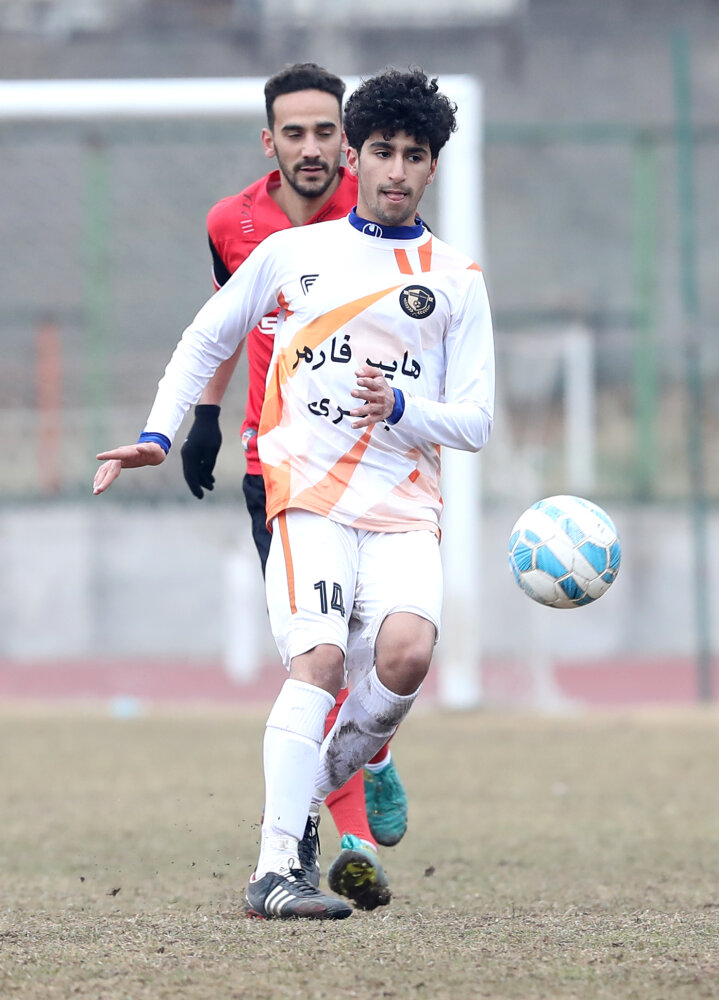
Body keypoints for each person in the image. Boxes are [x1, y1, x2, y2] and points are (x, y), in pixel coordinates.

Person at [93, 67, 495, 922]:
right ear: (357, 155)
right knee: (318, 660)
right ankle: (276, 867)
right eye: (381, 151)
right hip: (305, 499)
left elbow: (476, 421)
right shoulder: (292, 254)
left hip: (404, 508)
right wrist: (162, 434)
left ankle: (317, 788)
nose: (395, 169)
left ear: (432, 167)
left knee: (406, 659)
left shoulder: (456, 278)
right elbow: (205, 341)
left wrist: (406, 408)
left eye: (413, 155)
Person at [178, 63, 407, 909]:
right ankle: (333, 842)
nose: (311, 148)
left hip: (373, 466)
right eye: (293, 132)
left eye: (325, 131)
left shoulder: (378, 206)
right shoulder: (231, 223)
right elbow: (223, 326)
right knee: (319, 655)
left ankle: (374, 755)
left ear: (346, 139)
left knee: (379, 648)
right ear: (268, 141)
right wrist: (205, 416)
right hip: (274, 469)